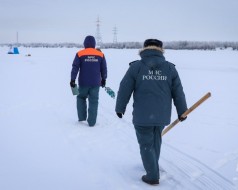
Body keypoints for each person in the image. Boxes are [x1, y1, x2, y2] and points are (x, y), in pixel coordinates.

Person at [115, 39, 187, 185]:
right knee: (155, 142)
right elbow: (178, 92)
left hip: (142, 115)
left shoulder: (136, 67)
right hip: (161, 114)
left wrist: (120, 108)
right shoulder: (169, 68)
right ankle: (152, 166)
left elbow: (124, 89)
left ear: (144, 49)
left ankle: (152, 176)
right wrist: (182, 110)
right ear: (161, 50)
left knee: (146, 144)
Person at [70, 35, 107, 126]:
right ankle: (92, 122)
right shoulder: (100, 54)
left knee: (81, 98)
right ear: (94, 43)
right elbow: (104, 68)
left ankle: (82, 118)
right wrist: (104, 79)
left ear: (85, 43)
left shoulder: (80, 54)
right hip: (95, 83)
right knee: (94, 101)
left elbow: (75, 67)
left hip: (83, 83)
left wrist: (72, 79)